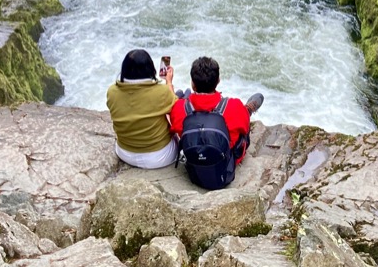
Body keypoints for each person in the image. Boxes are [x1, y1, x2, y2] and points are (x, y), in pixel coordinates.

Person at [170, 56, 263, 189]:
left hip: (194, 169)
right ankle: (248, 110)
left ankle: (186, 95)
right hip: (225, 167)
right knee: (243, 124)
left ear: (192, 83)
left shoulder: (179, 108)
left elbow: (175, 130)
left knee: (183, 101)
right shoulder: (233, 105)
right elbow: (244, 129)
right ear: (218, 81)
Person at [106, 49, 178, 169]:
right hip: (158, 157)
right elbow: (176, 109)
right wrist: (169, 82)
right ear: (150, 69)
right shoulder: (162, 92)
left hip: (124, 152)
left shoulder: (111, 91)